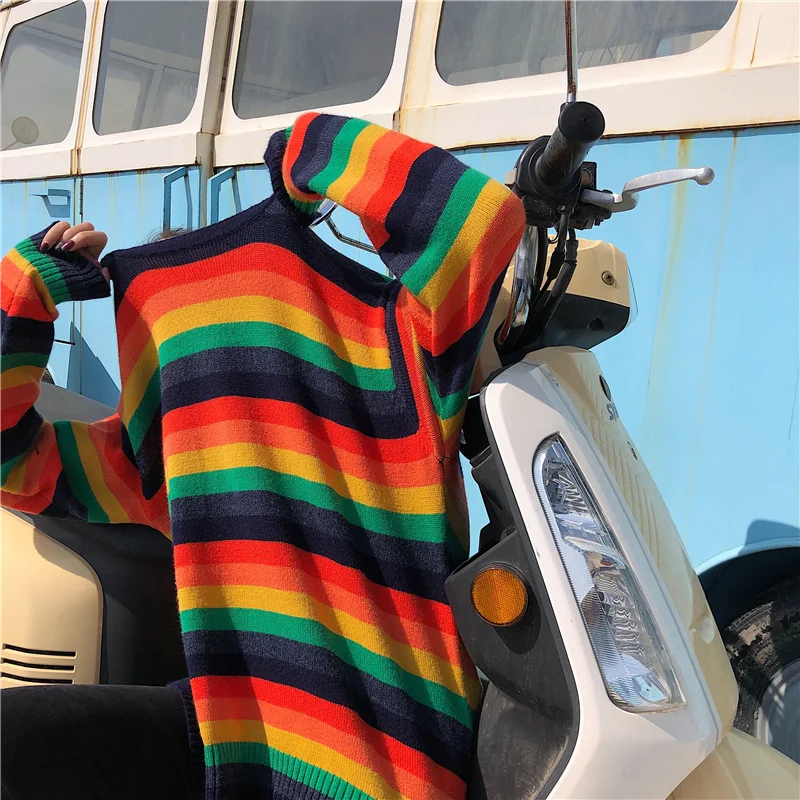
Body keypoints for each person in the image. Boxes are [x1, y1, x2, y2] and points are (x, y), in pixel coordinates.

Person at [1, 113, 525, 800]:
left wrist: (26, 291)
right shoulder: (404, 344)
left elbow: (13, 462)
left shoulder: (390, 346)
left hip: (365, 770)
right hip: (292, 749)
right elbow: (477, 220)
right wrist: (309, 150)